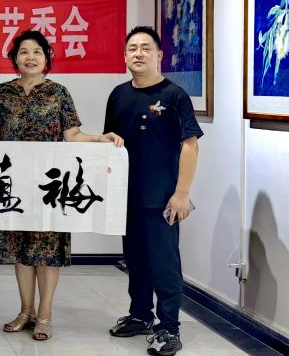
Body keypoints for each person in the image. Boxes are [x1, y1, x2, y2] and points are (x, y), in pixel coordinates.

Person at [0, 30, 123, 341]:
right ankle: (26, 311)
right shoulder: (1, 93)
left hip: (50, 184)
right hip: (15, 183)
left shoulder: (58, 93)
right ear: (15, 58)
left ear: (46, 58)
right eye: (24, 52)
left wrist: (99, 138)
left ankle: (45, 314)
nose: (30, 57)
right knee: (21, 249)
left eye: (37, 51)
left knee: (47, 250)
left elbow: (72, 135)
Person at [105, 26, 202, 356]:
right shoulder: (118, 95)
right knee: (135, 260)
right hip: (127, 196)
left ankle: (169, 328)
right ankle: (140, 315)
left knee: (164, 264)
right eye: (132, 48)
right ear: (125, 56)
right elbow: (110, 143)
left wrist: (182, 193)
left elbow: (190, 145)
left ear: (159, 55)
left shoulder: (174, 96)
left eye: (146, 48)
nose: (139, 53)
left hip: (162, 198)